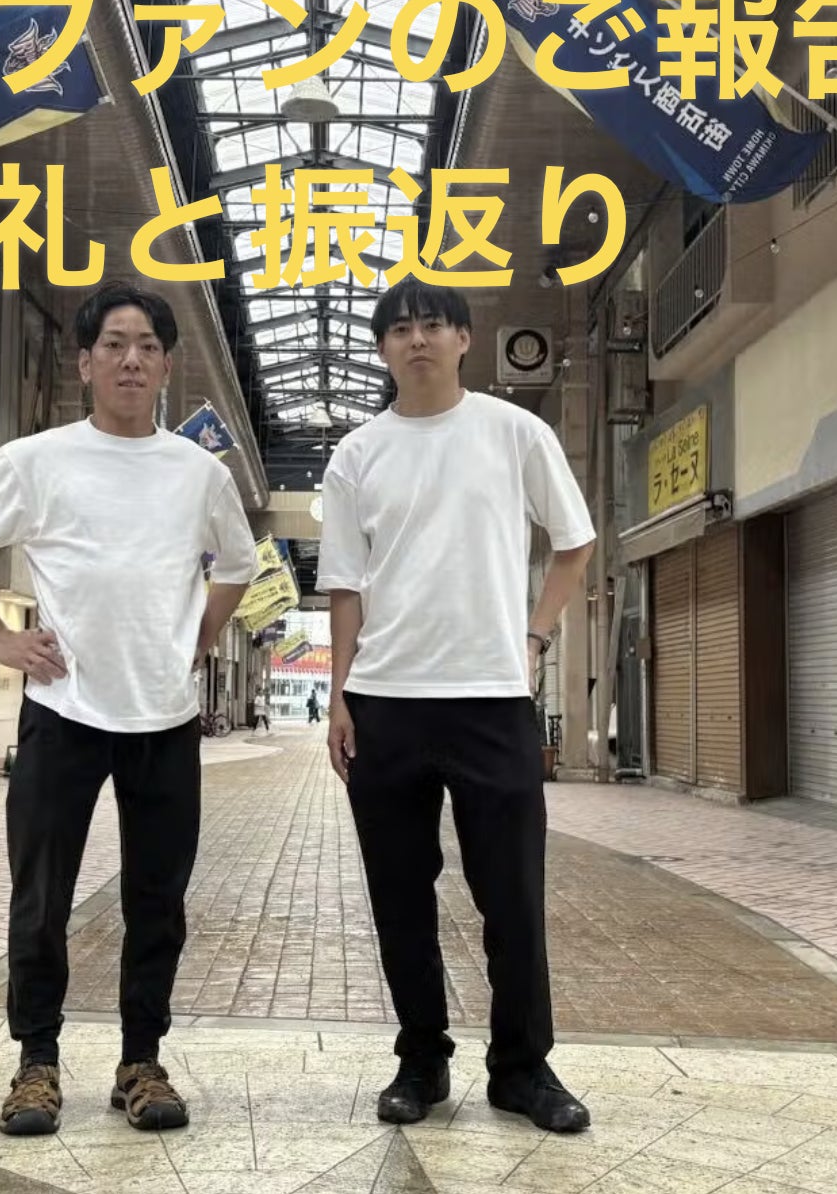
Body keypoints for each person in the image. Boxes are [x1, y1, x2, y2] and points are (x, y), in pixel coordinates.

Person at [0, 282, 255, 1139]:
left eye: (147, 346)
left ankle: (142, 1061)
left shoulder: (199, 473)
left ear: (167, 366)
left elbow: (238, 564)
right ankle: (36, 1063)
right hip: (62, 710)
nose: (131, 360)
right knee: (41, 896)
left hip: (165, 717)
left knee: (158, 899)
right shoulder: (39, 459)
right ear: (84, 362)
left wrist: (202, 638)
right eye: (114, 344)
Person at [317, 277, 597, 1134]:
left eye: (433, 324)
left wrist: (535, 638)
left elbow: (575, 543)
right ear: (382, 348)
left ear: (465, 338)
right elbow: (344, 586)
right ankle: (421, 1060)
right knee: (399, 898)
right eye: (400, 328)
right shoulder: (357, 453)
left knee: (511, 896)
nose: (418, 339)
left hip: (491, 701)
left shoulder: (514, 433)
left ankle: (522, 1068)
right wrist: (339, 695)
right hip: (386, 703)